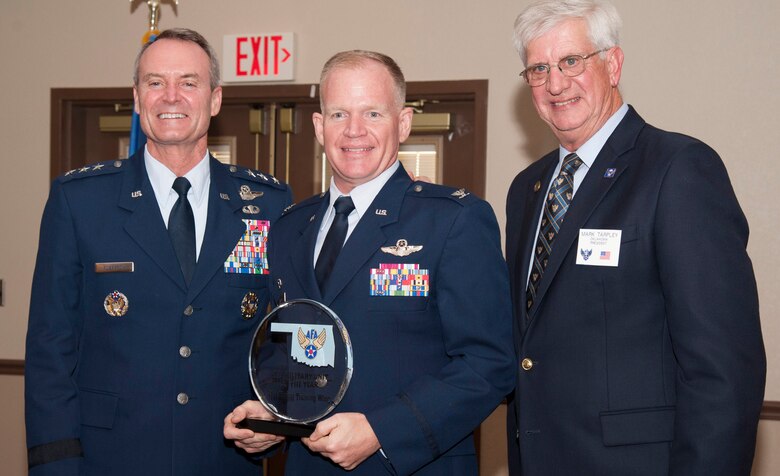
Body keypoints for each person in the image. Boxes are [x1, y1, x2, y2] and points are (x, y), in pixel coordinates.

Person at [224, 50, 516, 475]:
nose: (354, 130)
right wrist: (272, 414)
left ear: (404, 123)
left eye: (373, 113)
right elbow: (291, 349)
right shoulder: (290, 228)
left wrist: (383, 430)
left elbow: (489, 364)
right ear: (320, 127)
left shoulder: (452, 220)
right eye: (339, 114)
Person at [504, 1, 766, 475]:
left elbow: (723, 369)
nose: (555, 84)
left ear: (613, 63)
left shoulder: (677, 169)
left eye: (571, 61)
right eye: (538, 69)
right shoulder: (528, 189)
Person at [24, 28, 291, 475]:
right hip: (109, 459)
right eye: (155, 82)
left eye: (188, 82)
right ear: (137, 97)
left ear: (215, 99)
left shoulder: (267, 204)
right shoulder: (81, 201)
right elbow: (50, 348)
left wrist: (273, 415)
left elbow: (287, 331)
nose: (171, 96)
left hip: (222, 458)